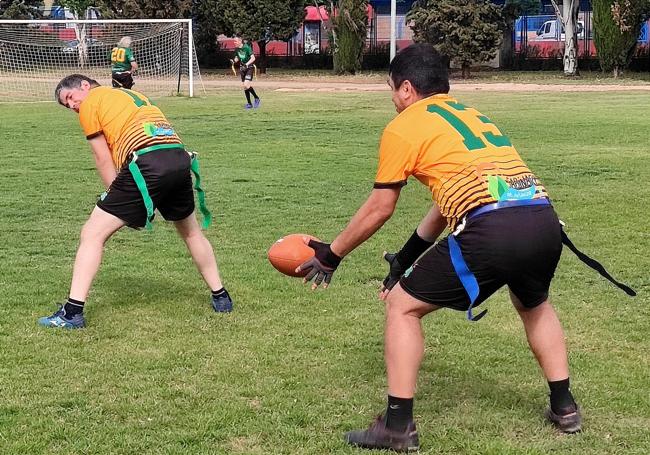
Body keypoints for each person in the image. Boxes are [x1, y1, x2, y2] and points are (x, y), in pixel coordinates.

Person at [296, 43, 584, 452]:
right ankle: (565, 406)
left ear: (408, 89)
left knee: (402, 306)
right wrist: (406, 257)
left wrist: (330, 254)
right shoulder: (470, 114)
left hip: (493, 227)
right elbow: (447, 199)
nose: (393, 100)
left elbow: (381, 207)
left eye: (392, 90)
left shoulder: (405, 125)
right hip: (541, 218)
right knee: (534, 303)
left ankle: (397, 425)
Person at [39, 74, 233, 329]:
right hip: (178, 157)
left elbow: (102, 157)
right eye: (68, 106)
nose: (73, 106)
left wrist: (116, 194)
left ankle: (72, 312)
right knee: (191, 233)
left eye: (70, 98)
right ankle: (222, 297)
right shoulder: (133, 95)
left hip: (147, 161)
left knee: (92, 233)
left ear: (85, 86)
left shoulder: (91, 103)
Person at [230, 37, 260, 109]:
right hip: (242, 68)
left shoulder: (247, 47)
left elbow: (253, 58)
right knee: (245, 87)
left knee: (246, 84)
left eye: (235, 41)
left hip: (249, 67)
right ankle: (249, 104)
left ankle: (256, 98)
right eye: (234, 41)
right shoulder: (237, 49)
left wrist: (246, 65)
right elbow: (238, 58)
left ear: (240, 41)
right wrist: (234, 61)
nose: (234, 43)